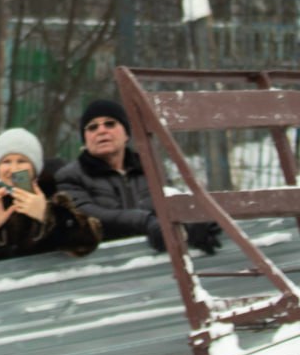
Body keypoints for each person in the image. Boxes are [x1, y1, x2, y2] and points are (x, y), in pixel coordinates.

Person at [54, 99, 221, 254]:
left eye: (110, 124)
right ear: (85, 139)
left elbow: (169, 201)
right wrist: (146, 223)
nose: (101, 130)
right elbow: (90, 216)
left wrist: (191, 221)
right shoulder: (69, 177)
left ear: (126, 134)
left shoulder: (150, 169)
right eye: (92, 127)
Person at [0, 127, 102, 269]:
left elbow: (89, 240)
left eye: (22, 161)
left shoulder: (56, 200)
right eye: (6, 162)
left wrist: (47, 215)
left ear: (34, 168)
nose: (13, 169)